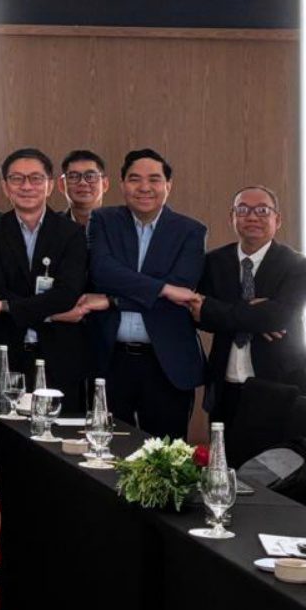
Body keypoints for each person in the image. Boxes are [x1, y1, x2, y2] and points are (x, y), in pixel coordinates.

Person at [81, 148, 207, 441]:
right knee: (106, 450)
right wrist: (163, 288)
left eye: (154, 179)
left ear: (168, 185)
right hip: (111, 360)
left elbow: (182, 287)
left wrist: (111, 300)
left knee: (165, 454)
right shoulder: (103, 220)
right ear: (122, 184)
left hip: (166, 362)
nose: (144, 187)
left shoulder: (191, 231)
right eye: (135, 179)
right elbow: (103, 271)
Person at [0, 148, 91, 411]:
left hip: (59, 355)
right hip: (6, 354)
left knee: (58, 432)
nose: (26, 186)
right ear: (5, 187)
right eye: (17, 179)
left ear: (50, 185)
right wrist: (52, 313)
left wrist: (5, 307)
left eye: (36, 178)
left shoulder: (71, 233)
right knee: (7, 431)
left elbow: (67, 293)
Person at [189, 185, 306, 422]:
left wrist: (219, 310)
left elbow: (283, 316)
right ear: (232, 217)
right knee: (224, 447)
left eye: (262, 210)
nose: (252, 217)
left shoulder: (300, 266)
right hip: (225, 386)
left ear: (277, 220)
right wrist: (258, 316)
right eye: (243, 210)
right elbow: (200, 316)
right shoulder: (213, 262)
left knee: (277, 447)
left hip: (280, 385)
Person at [58, 149, 108, 229]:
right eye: (74, 177)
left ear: (105, 184)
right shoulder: (49, 227)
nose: (83, 183)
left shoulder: (119, 226)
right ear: (62, 185)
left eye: (90, 176)